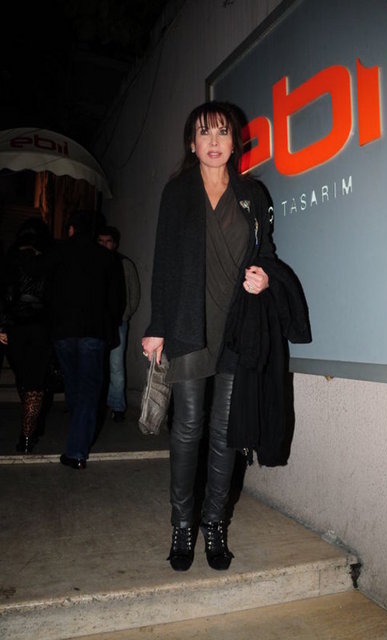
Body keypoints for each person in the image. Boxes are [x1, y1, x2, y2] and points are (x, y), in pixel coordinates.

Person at [142, 100, 308, 573]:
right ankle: (182, 525)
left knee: (226, 432)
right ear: (191, 143)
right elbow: (164, 263)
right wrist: (156, 327)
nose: (213, 141)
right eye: (204, 133)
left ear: (235, 142)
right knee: (188, 427)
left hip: (238, 326)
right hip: (189, 326)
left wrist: (265, 277)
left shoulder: (253, 194)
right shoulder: (177, 193)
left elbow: (266, 251)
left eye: (222, 132)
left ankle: (214, 523)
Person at [24, 210, 126, 469]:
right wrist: (110, 327)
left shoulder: (59, 251)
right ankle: (77, 449)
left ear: (71, 229)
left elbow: (33, 272)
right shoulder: (106, 257)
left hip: (63, 332)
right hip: (93, 332)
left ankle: (77, 442)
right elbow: (116, 299)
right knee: (89, 390)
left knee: (74, 387)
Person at [0, 218, 54, 453]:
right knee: (35, 383)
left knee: (23, 378)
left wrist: (2, 325)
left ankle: (30, 425)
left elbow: (3, 293)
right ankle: (28, 434)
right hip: (42, 328)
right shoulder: (49, 260)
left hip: (16, 327)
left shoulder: (10, 259)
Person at [97, 225, 141, 422]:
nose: (104, 245)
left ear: (115, 244)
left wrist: (125, 315)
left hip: (117, 322)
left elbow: (134, 293)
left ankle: (117, 405)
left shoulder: (124, 264)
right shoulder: (92, 261)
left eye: (108, 241)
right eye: (101, 241)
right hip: (96, 321)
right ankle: (98, 403)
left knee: (115, 365)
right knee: (97, 363)